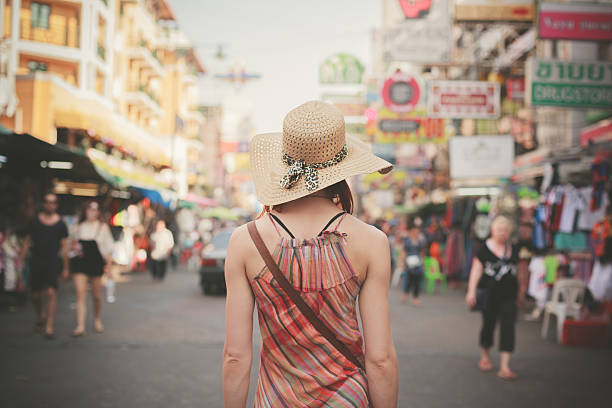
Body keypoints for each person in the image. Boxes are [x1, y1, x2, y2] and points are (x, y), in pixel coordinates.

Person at [222, 101, 398, 407]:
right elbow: (380, 360)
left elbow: (235, 357)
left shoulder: (245, 241)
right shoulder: (371, 241)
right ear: (341, 170)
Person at [466, 215, 519, 380]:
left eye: (505, 230)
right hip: (489, 294)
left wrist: (522, 293)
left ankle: (505, 366)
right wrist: (471, 291)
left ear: (509, 232)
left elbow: (521, 272)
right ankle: (485, 356)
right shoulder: (484, 249)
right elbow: (476, 270)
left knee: (508, 327)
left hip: (509, 295)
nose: (502, 233)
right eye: (499, 230)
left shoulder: (514, 249)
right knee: (488, 325)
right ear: (492, 231)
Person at [18, 193, 69, 339]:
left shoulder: (60, 224)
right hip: (36, 261)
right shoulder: (34, 222)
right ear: (43, 204)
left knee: (52, 293)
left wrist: (66, 267)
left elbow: (64, 247)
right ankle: (40, 315)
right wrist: (21, 259)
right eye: (47, 202)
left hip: (53, 262)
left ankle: (49, 326)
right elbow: (27, 242)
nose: (50, 205)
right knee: (35, 294)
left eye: (53, 202)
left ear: (56, 205)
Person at [70, 200, 114, 336]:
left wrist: (109, 267)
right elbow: (70, 245)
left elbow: (108, 249)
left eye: (95, 209)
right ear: (85, 210)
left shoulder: (102, 227)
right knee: (80, 293)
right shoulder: (77, 227)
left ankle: (96, 319)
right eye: (90, 208)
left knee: (96, 295)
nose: (92, 211)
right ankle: (80, 325)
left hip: (96, 262)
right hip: (80, 262)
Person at [400, 217, 427, 305]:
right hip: (409, 262)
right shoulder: (407, 240)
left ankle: (415, 297)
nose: (416, 232)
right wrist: (403, 263)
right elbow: (404, 252)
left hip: (417, 262)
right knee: (408, 278)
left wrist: (422, 262)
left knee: (417, 279)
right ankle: (405, 292)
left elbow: (421, 252)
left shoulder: (420, 241)